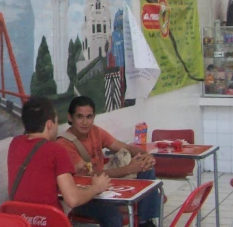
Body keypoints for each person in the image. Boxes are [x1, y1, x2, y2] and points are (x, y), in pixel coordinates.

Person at [57, 96, 160, 227]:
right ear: (70, 118)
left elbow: (124, 146)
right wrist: (129, 169)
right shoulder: (64, 144)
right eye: (79, 116)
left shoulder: (96, 131)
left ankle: (145, 223)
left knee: (146, 168)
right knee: (111, 213)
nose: (85, 122)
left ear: (94, 117)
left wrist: (147, 155)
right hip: (84, 196)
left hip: (103, 187)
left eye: (89, 117)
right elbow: (92, 175)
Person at [7, 97, 111, 214]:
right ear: (50, 124)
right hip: (49, 220)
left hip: (20, 219)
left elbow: (39, 175)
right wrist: (97, 187)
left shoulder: (15, 144)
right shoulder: (56, 149)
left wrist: (72, 169)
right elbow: (73, 199)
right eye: (57, 121)